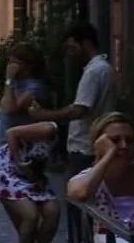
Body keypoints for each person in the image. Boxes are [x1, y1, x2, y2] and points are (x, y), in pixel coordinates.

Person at [30, 22, 117, 177]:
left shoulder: (94, 71)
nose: (71, 54)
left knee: (77, 190)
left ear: (85, 43)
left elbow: (79, 110)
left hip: (85, 147)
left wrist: (43, 115)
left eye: (73, 47)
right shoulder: (101, 68)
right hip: (89, 144)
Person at [0, 42, 49, 243]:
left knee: (16, 198)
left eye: (14, 62)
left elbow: (11, 108)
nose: (10, 65)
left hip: (21, 152)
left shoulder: (34, 87)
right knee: (7, 196)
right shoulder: (18, 85)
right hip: (6, 148)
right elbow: (5, 109)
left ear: (25, 64)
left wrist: (8, 81)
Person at [67, 112, 134, 232]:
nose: (124, 145)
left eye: (129, 140)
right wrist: (108, 154)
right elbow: (79, 194)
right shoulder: (88, 179)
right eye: (115, 140)